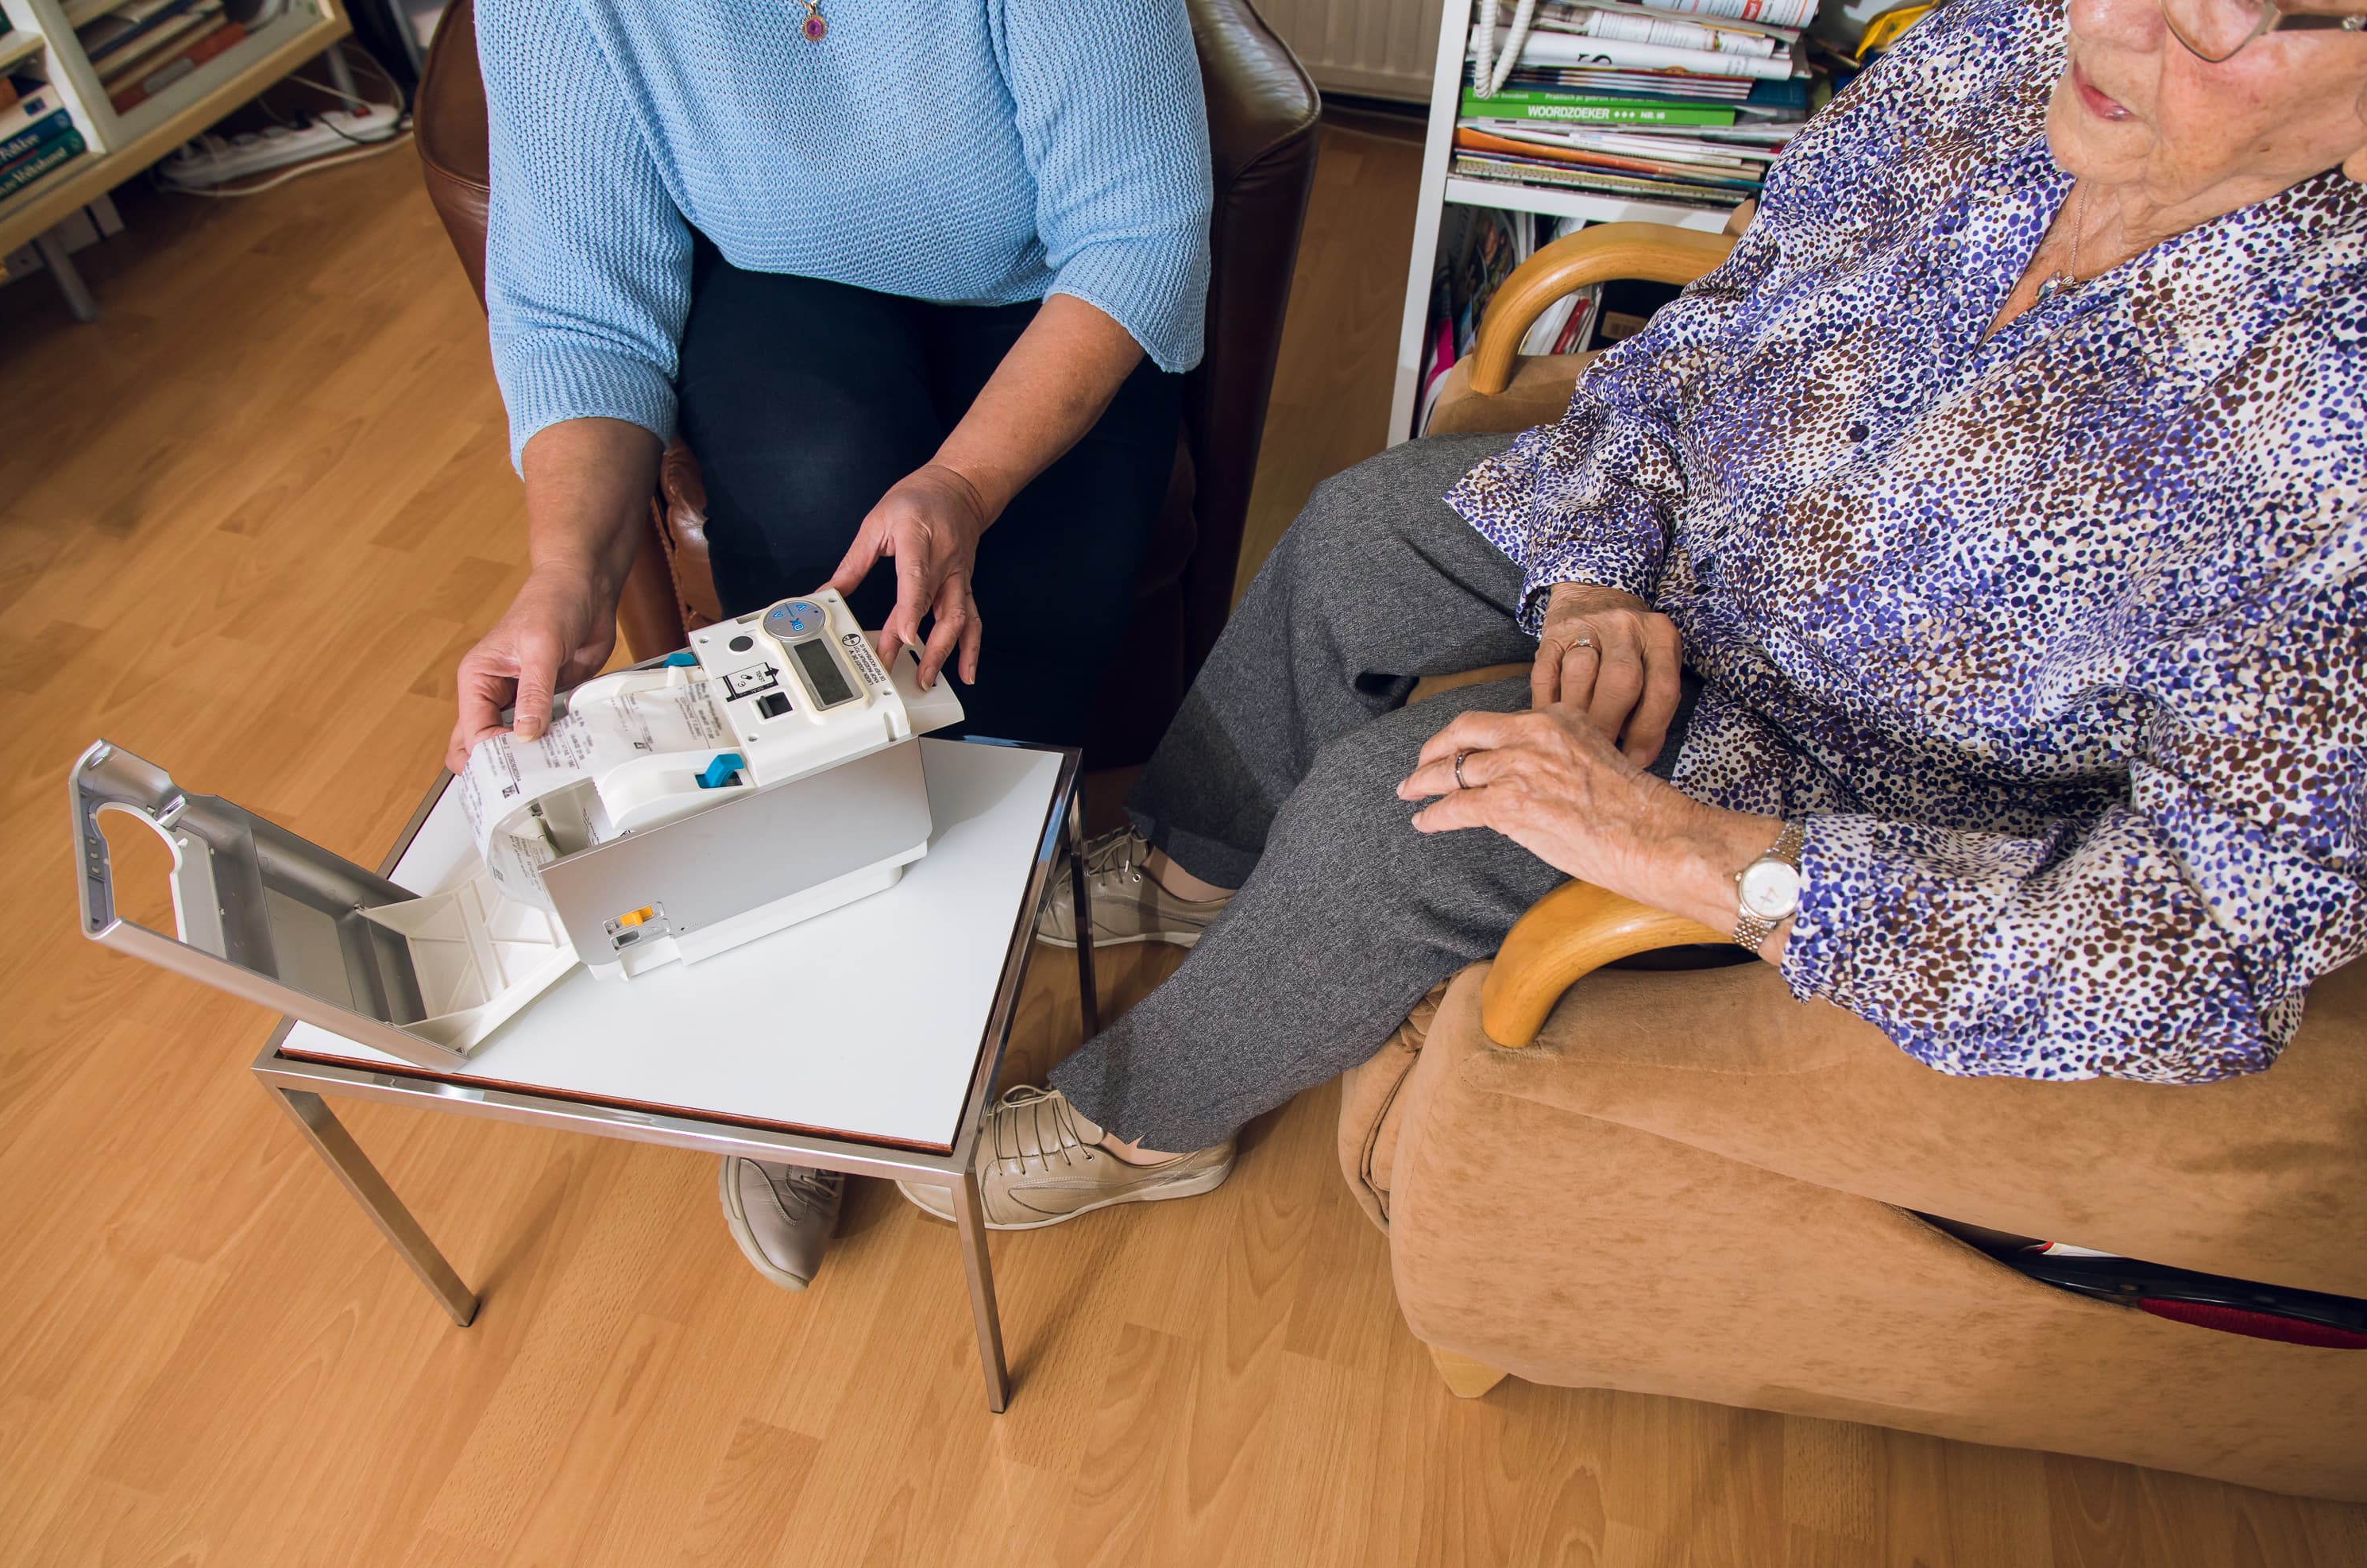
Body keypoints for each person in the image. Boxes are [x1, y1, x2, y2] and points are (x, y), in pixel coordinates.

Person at [896, 0, 2367, 1231]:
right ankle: (1199, 862)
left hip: (1854, 770)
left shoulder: (2332, 427)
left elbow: (2210, 946)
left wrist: (1706, 859)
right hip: (1696, 529)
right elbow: (1729, 317)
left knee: (1397, 812)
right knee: (1359, 530)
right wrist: (1598, 562)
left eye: (2230, 22)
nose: (2116, 27)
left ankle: (1150, 1124)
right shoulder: (1992, 52)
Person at [442, 0, 1211, 1288]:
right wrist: (563, 577)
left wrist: (964, 484)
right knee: (814, 518)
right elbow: (578, 305)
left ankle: (949, 995)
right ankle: (810, 1044)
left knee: (1008, 630)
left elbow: (1140, 229)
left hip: (1053, 274)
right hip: (782, 266)